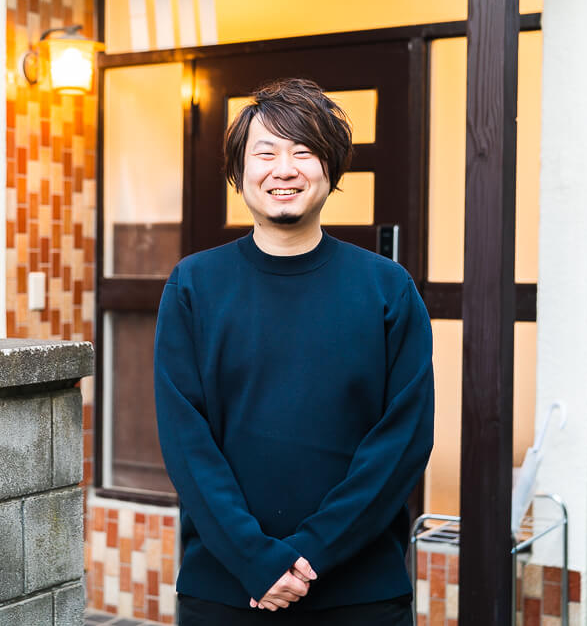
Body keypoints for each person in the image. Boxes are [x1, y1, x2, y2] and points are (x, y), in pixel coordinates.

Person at [154, 78, 434, 625]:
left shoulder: (386, 288)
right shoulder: (194, 286)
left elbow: (402, 441)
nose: (284, 169)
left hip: (361, 594)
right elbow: (187, 441)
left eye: (303, 151)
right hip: (226, 589)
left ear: (330, 169)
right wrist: (255, 558)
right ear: (240, 173)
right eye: (266, 152)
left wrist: (310, 555)